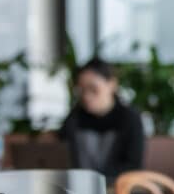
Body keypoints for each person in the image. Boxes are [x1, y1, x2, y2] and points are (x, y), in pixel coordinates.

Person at [58, 58, 145, 186]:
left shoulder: (130, 118)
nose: (86, 96)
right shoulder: (75, 118)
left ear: (112, 84)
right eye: (81, 90)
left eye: (93, 89)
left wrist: (94, 178)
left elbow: (133, 166)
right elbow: (59, 152)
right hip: (82, 192)